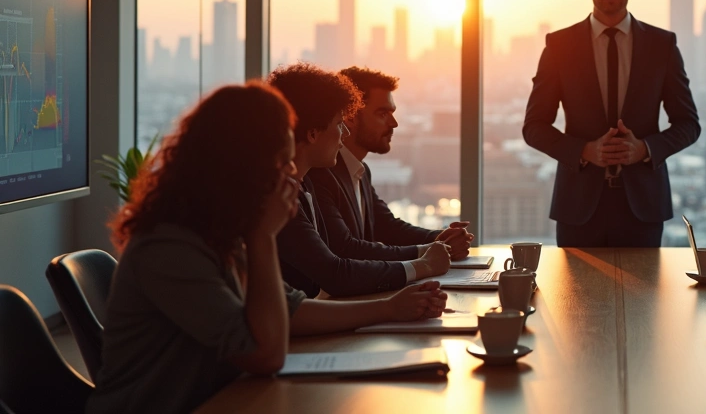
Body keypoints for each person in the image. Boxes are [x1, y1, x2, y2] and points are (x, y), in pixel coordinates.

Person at [88, 84, 447, 414]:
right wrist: (263, 235)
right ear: (242, 168)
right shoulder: (171, 245)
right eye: (280, 162)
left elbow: (292, 310)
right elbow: (265, 353)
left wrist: (389, 308)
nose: (291, 171)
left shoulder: (221, 232)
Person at [523, 0, 700, 247]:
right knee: (574, 296)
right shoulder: (559, 46)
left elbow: (689, 124)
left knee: (643, 295)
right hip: (578, 206)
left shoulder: (662, 46)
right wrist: (584, 151)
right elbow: (534, 127)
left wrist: (644, 149)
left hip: (643, 206)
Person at [268, 63, 451, 298]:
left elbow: (383, 226)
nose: (344, 133)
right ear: (313, 133)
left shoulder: (305, 184)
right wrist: (423, 264)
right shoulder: (286, 192)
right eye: (338, 123)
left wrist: (436, 243)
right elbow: (337, 267)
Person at [307, 66, 474, 269]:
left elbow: (386, 227)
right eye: (382, 113)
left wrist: (442, 236)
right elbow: (346, 248)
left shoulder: (360, 171)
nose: (394, 123)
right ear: (350, 117)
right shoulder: (321, 173)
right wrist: (433, 251)